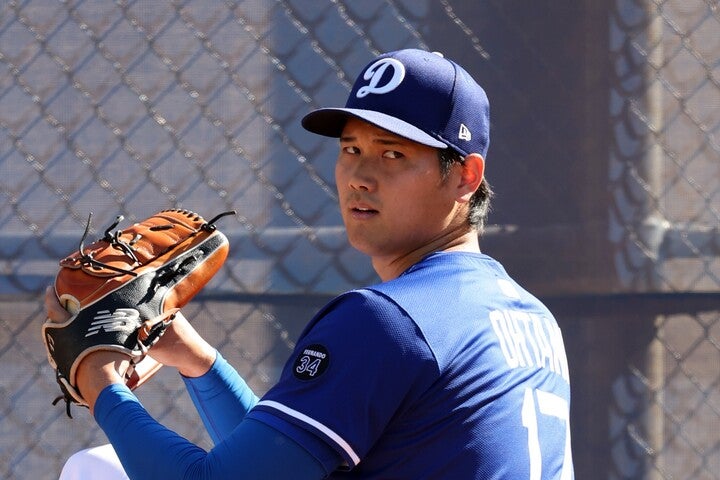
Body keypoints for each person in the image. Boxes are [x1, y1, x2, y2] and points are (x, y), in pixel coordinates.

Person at [46, 48, 574, 479]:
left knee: (94, 470)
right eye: (350, 149)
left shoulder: (391, 321)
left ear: (464, 175)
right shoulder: (532, 319)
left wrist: (97, 377)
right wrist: (200, 364)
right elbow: (282, 459)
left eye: (393, 154)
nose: (359, 176)